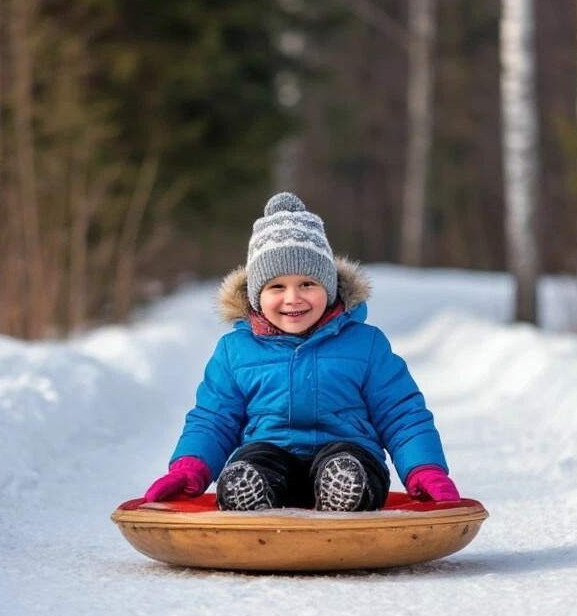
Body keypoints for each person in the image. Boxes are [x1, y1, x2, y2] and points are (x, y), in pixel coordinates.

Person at [143, 192, 461, 511]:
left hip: (349, 453)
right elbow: (214, 420)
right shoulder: (235, 351)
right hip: (271, 457)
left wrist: (424, 469)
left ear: (329, 288)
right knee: (253, 460)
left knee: (348, 461)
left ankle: (345, 490)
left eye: (307, 284)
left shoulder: (366, 344)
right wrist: (189, 468)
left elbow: (401, 413)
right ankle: (248, 489)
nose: (293, 298)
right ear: (256, 296)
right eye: (277, 287)